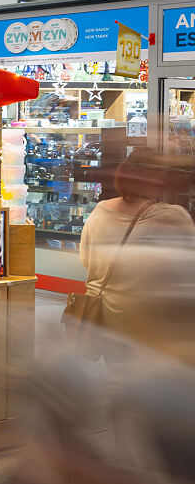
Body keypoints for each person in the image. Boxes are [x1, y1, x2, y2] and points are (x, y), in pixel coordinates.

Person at [79, 148, 195, 361]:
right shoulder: (172, 217)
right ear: (157, 178)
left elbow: (87, 260)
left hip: (107, 325)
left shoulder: (100, 211)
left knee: (122, 386)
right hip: (152, 331)